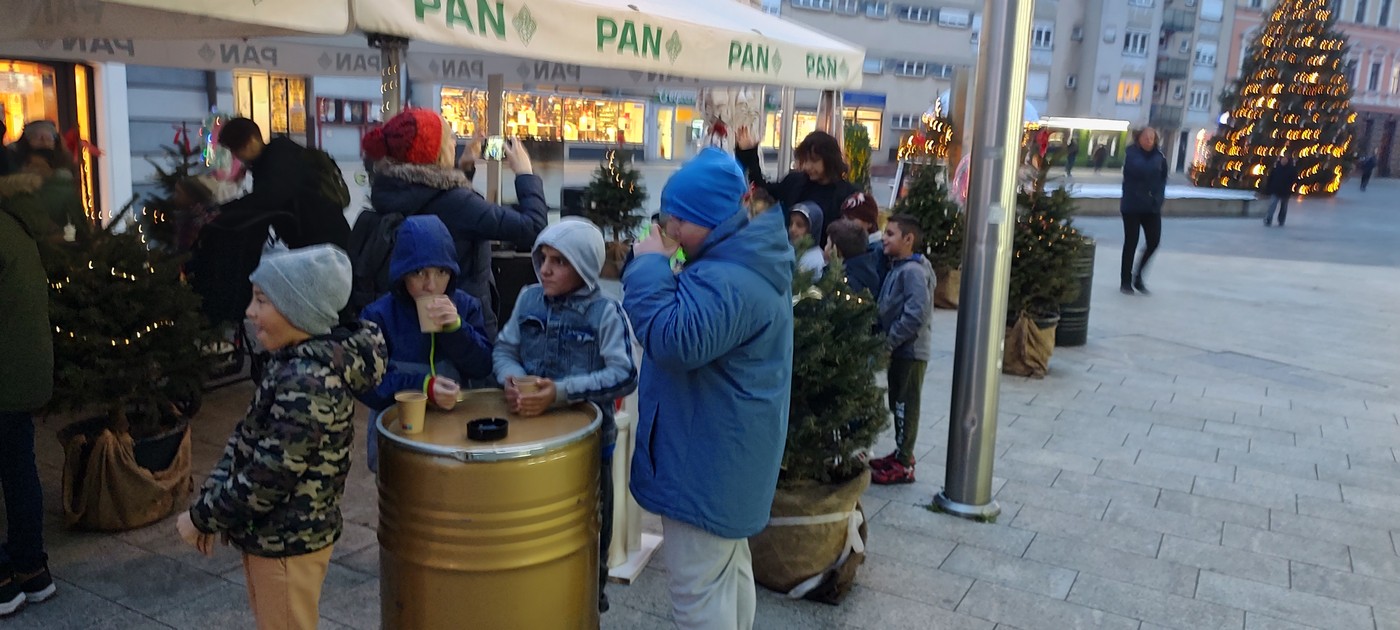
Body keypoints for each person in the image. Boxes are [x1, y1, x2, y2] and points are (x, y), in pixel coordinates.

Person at [622, 147, 793, 629]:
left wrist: (648, 266)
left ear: (712, 219)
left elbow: (672, 339)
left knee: (696, 589)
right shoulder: (738, 257)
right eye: (665, 218)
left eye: (679, 221)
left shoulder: (728, 277)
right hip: (723, 457)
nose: (669, 231)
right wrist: (662, 253)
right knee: (727, 576)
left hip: (705, 464)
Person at [177, 245, 386, 630]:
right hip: (270, 536)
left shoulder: (306, 382)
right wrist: (211, 498)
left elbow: (268, 474)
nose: (249, 311)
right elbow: (246, 437)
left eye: (261, 301)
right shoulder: (290, 362)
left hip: (288, 541)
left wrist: (202, 517)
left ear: (298, 310)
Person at [492, 218, 638, 614]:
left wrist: (559, 392)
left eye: (560, 261)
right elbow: (505, 348)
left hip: (589, 446)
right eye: (544, 258)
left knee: (591, 522)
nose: (546, 269)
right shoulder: (528, 299)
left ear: (586, 267)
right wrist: (512, 378)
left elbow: (624, 373)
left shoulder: (605, 312)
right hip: (530, 438)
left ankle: (591, 593)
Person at [365, 109, 548, 339]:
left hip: (414, 320)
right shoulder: (458, 203)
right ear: (436, 152)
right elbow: (533, 227)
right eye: (449, 137)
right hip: (462, 321)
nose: (455, 141)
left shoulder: (391, 190)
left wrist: (463, 172)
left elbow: (439, 207)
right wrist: (525, 174)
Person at [360, 215, 494, 472]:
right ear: (401, 274)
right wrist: (423, 387)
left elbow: (483, 366)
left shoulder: (465, 306)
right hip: (398, 439)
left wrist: (456, 330)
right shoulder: (378, 315)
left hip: (455, 440)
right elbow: (367, 385)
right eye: (419, 273)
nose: (431, 286)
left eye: (441, 272)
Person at [0, 171, 59, 617]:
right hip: (21, 372)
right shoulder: (15, 220)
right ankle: (32, 570)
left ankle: (3, 582)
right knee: (19, 467)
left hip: (5, 372)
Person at [216, 117, 351, 250]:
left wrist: (221, 212)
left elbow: (266, 199)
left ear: (252, 141)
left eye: (237, 149)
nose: (236, 156)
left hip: (325, 242)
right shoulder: (269, 160)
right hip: (314, 240)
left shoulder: (279, 158)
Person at [869, 215, 935, 485]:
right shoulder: (899, 266)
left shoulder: (913, 272)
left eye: (891, 234)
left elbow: (915, 314)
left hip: (910, 352)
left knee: (906, 404)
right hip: (899, 350)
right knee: (898, 400)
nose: (884, 238)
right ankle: (900, 452)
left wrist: (891, 340)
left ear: (908, 239)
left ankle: (904, 462)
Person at [735, 128, 858, 244]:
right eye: (804, 161)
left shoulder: (847, 195)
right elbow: (763, 188)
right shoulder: (796, 182)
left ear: (830, 160)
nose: (807, 167)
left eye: (814, 161)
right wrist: (748, 152)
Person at [1120, 127, 1168, 295]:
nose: (1149, 140)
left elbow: (1162, 181)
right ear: (1138, 138)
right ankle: (1125, 281)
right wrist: (1156, 161)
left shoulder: (1160, 158)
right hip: (1132, 205)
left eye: (1152, 137)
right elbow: (1141, 169)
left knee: (1153, 241)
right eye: (1146, 137)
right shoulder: (1132, 154)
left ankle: (1138, 276)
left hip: (1151, 207)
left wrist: (1159, 200)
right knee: (1131, 242)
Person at [825, 218, 880, 296]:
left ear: (836, 251)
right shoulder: (868, 271)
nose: (825, 248)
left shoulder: (842, 284)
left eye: (828, 244)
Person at [788, 201, 826, 278]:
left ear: (812, 230)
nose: (792, 229)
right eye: (791, 223)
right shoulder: (787, 248)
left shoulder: (815, 262)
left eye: (799, 225)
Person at [1263, 155, 1299, 228]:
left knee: (1283, 207)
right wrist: (1268, 189)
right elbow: (1270, 179)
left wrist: (1291, 188)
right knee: (1272, 205)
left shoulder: (1291, 170)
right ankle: (1268, 219)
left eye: (1285, 160)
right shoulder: (1276, 169)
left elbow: (1294, 180)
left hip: (1285, 191)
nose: (1284, 161)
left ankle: (1281, 220)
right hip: (1275, 190)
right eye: (1283, 160)